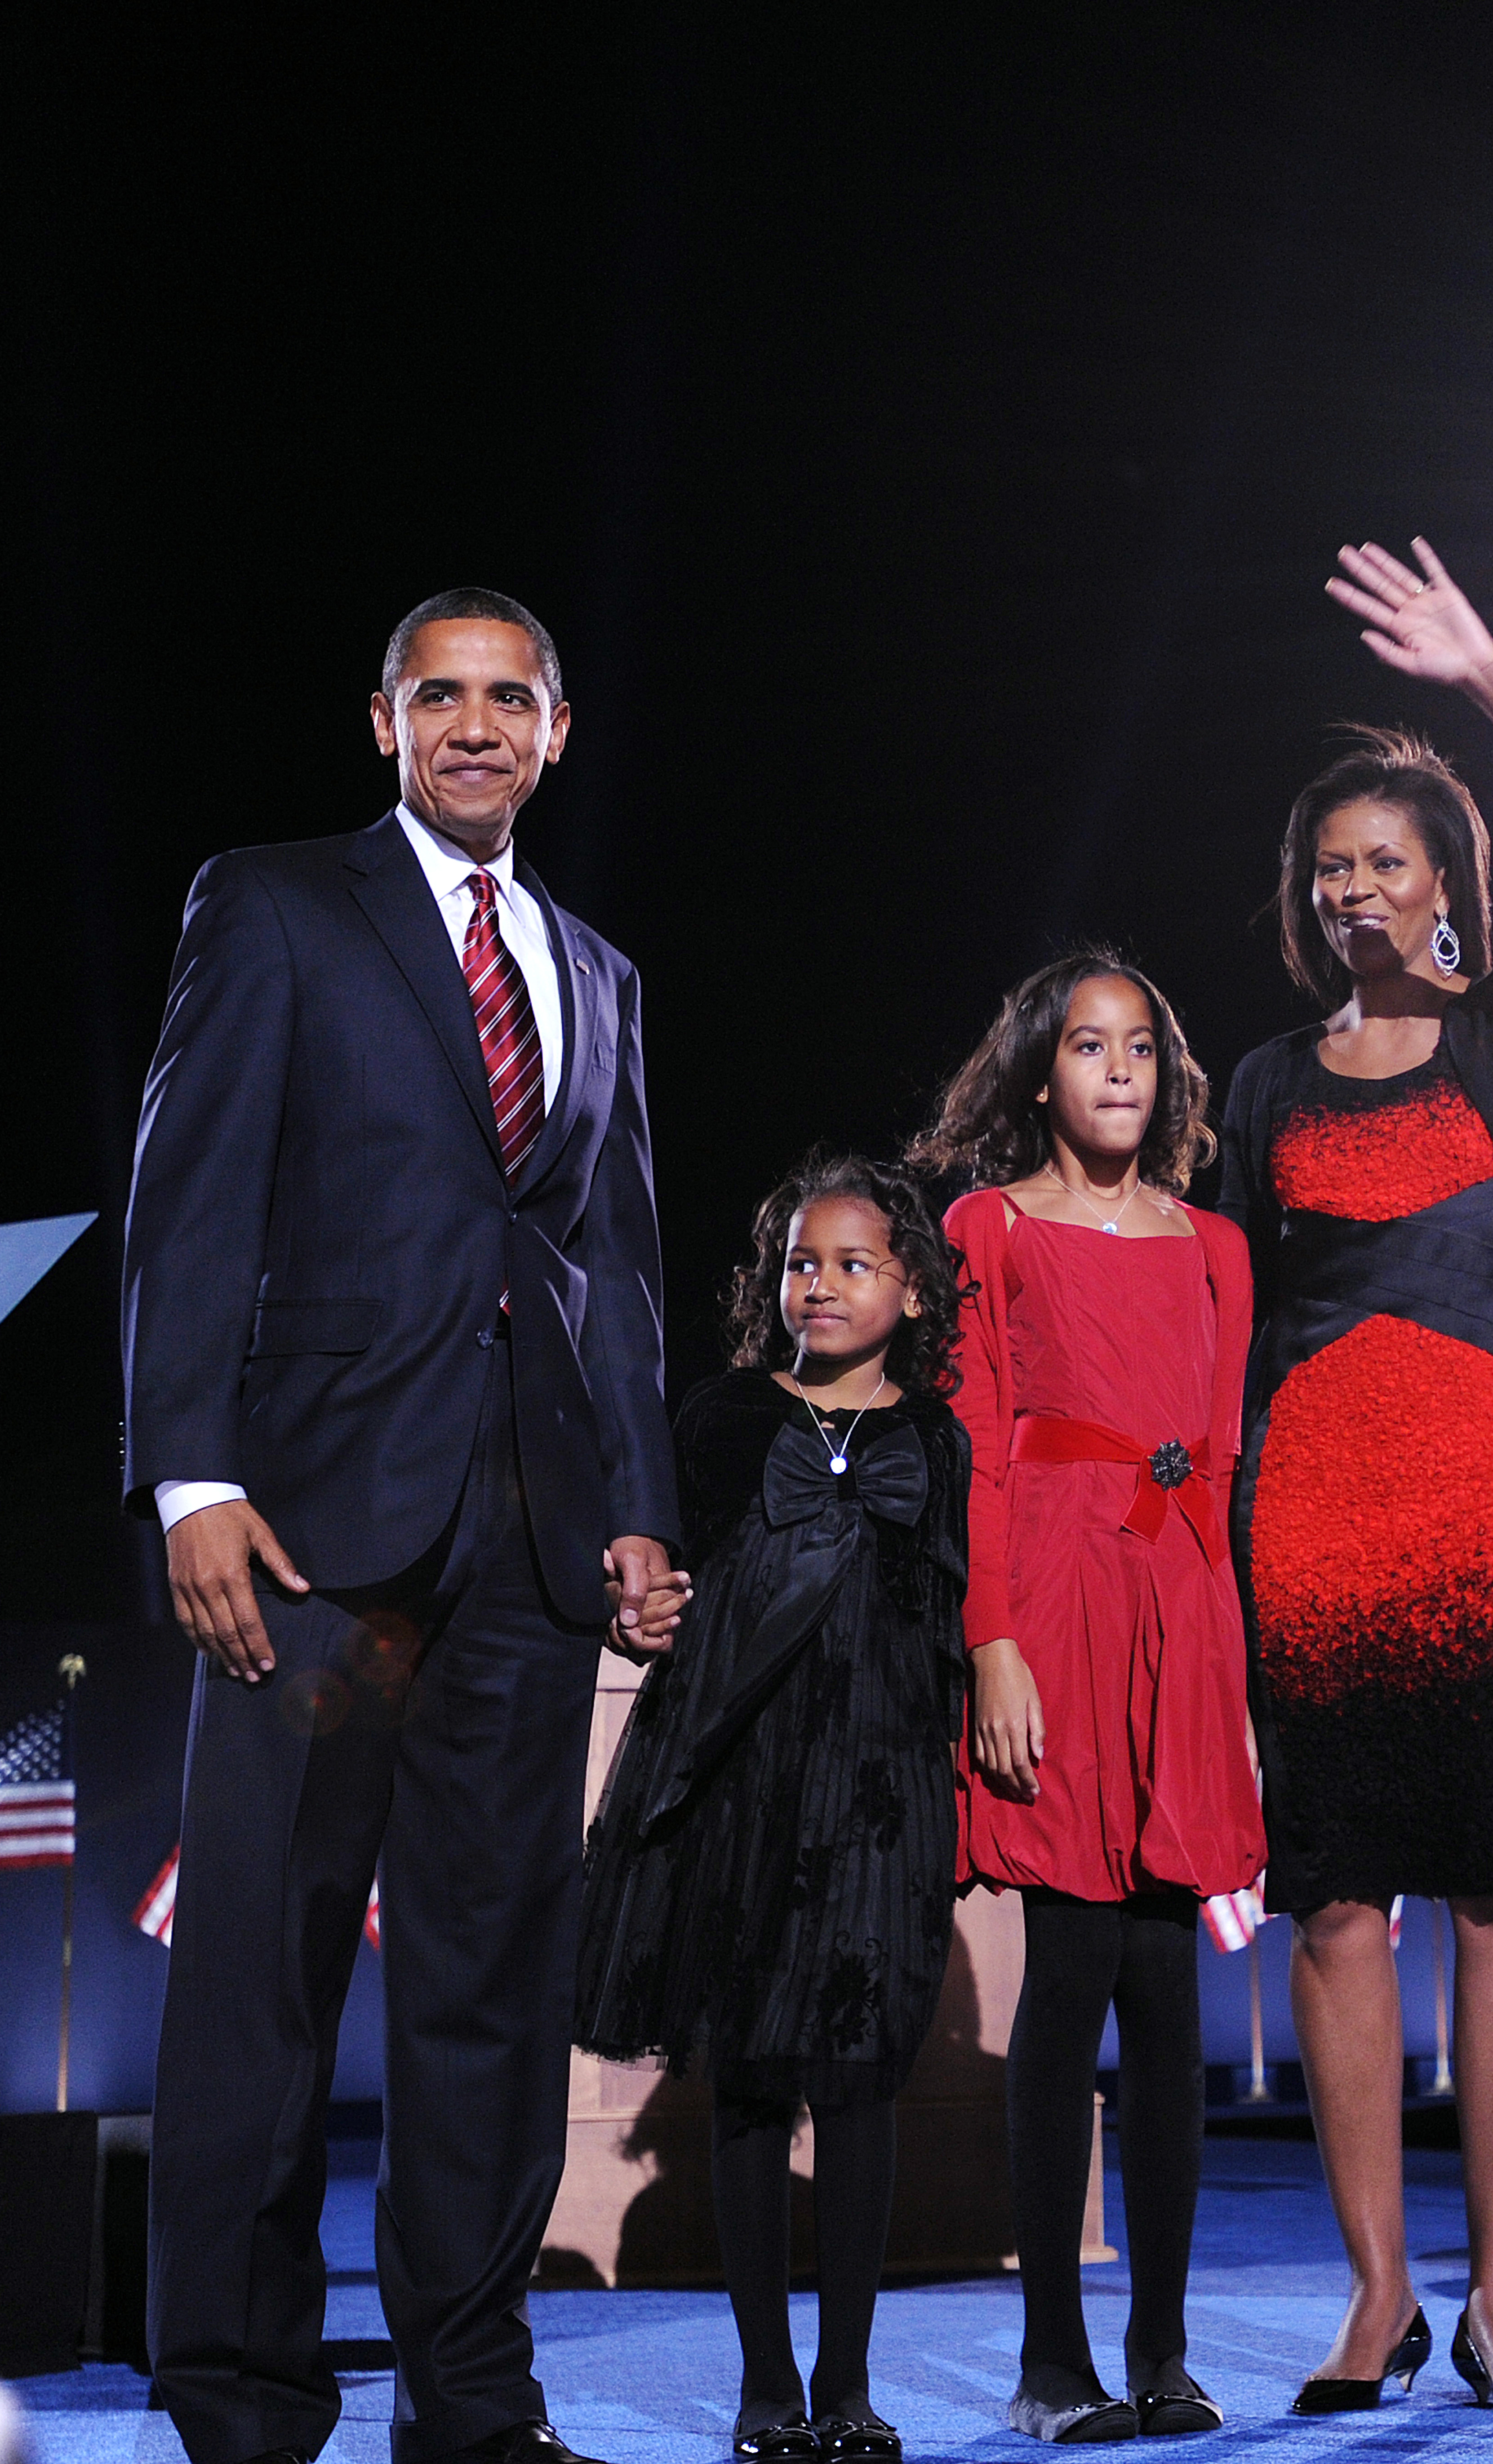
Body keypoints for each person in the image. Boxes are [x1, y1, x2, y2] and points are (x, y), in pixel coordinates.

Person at [121, 588, 681, 2464]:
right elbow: (187, 1194)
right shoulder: (275, 904)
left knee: (488, 1993)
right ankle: (242, 2401)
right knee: (261, 1984)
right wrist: (193, 1475)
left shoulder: (592, 969)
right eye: (435, 695)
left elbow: (618, 1268)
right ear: (381, 724)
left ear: (556, 730)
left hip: (525, 1554)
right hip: (305, 1541)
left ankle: (473, 2403)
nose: (471, 724)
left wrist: (636, 1512)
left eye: (504, 697)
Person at [1219, 538, 1493, 2419]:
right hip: (1312, 1523)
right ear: (1309, 909)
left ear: (1445, 883)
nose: (1358, 884)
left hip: (1492, 1512)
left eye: (1390, 857)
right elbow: (1230, 1320)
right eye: (1335, 868)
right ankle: (1373, 2299)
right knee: (1330, 1907)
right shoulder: (1252, 1084)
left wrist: (1489, 671)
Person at [909, 961, 1263, 2444]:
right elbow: (971, 1442)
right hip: (1047, 1603)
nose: (1116, 1067)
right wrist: (991, 1642)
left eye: (1139, 1047)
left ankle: (1164, 2350)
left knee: (1168, 1994)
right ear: (1037, 1073)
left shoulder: (1219, 1247)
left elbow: (1220, 1459)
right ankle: (1054, 2359)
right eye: (1085, 1044)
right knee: (1066, 1983)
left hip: (1179, 1610)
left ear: (1167, 1076)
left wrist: (1225, 1675)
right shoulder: (983, 1229)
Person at [574, 1155, 973, 2464]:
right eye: (804, 1261)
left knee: (858, 2081)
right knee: (749, 2076)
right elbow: (663, 1584)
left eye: (856, 1263)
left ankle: (849, 2385)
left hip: (880, 1789)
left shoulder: (940, 1436)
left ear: (912, 1288)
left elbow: (949, 1615)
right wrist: (643, 1610)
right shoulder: (725, 1418)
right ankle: (764, 2386)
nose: (823, 1283)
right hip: (746, 1782)